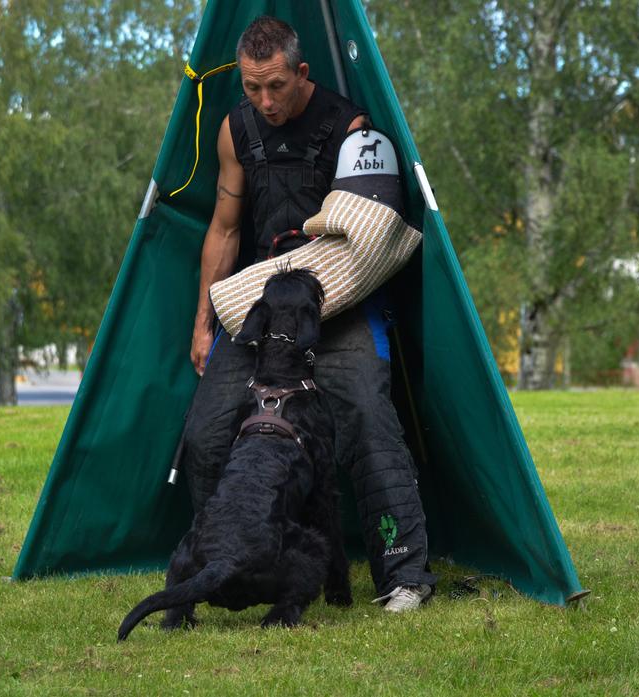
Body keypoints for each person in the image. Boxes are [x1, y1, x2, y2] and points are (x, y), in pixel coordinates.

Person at [180, 16, 436, 612]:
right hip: (262, 310)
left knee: (369, 416)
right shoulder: (235, 130)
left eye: (275, 86)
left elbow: (368, 240)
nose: (264, 102)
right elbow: (222, 229)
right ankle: (229, 565)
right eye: (251, 88)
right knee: (207, 436)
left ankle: (403, 576)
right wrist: (202, 324)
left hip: (337, 305)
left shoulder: (353, 133)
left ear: (302, 72)